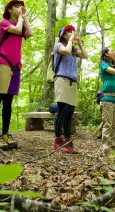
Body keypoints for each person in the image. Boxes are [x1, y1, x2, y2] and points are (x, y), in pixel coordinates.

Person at [0, 0, 33, 149]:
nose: (20, 8)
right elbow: (17, 28)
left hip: (15, 67)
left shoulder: (20, 23)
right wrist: (21, 18)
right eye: (16, 7)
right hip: (3, 64)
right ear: (10, 10)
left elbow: (30, 33)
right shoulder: (4, 23)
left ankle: (6, 133)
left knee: (8, 101)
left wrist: (24, 17)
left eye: (21, 6)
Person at [52, 24, 88, 153]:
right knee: (62, 111)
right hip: (62, 80)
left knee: (69, 113)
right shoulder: (59, 46)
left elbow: (85, 55)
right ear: (63, 35)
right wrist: (72, 40)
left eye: (71, 32)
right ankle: (57, 140)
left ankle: (67, 141)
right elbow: (66, 51)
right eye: (68, 32)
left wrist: (79, 42)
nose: (71, 34)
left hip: (72, 82)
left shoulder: (73, 49)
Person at [99, 47, 115, 156]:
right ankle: (106, 150)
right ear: (106, 54)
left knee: (114, 125)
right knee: (107, 125)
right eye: (111, 51)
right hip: (106, 97)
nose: (114, 52)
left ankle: (114, 148)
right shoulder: (104, 64)